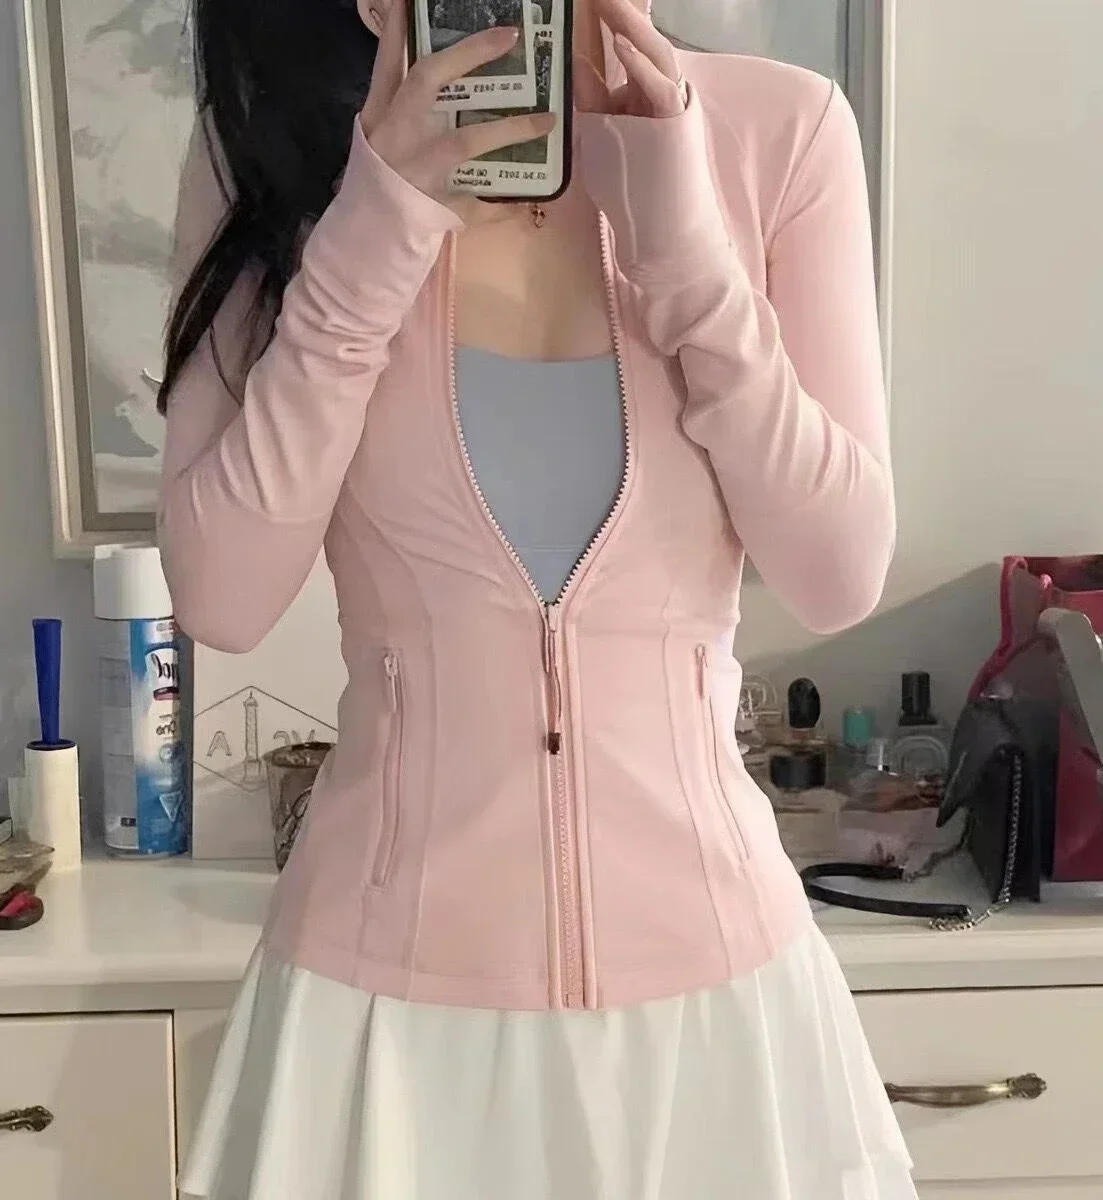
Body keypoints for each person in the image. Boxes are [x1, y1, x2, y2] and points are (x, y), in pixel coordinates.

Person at [159, 0, 913, 1196]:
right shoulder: (271, 145)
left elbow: (837, 571)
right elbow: (224, 595)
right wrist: (373, 228)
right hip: (384, 1026)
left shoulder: (779, 132)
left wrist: (689, 256)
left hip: (713, 1020)